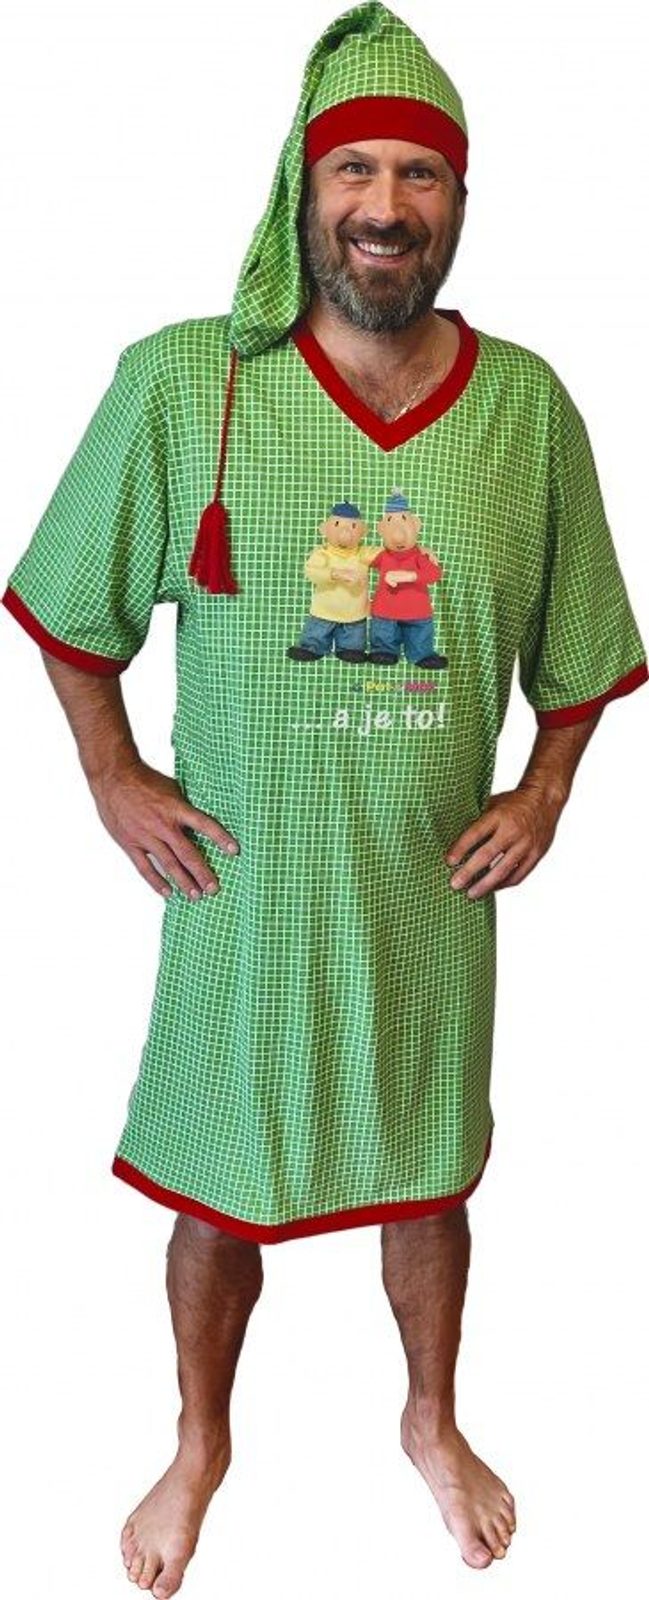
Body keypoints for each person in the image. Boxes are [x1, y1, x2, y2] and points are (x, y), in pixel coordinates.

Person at [2, 1, 647, 1594]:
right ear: (299, 191)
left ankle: (428, 1418)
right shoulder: (185, 386)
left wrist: (544, 788)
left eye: (418, 176)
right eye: (353, 170)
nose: (384, 205)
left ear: (459, 202)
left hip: (429, 897)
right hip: (244, 891)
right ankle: (200, 1442)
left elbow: (582, 646)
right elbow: (70, 606)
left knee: (426, 1178)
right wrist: (112, 773)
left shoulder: (524, 407)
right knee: (220, 1191)